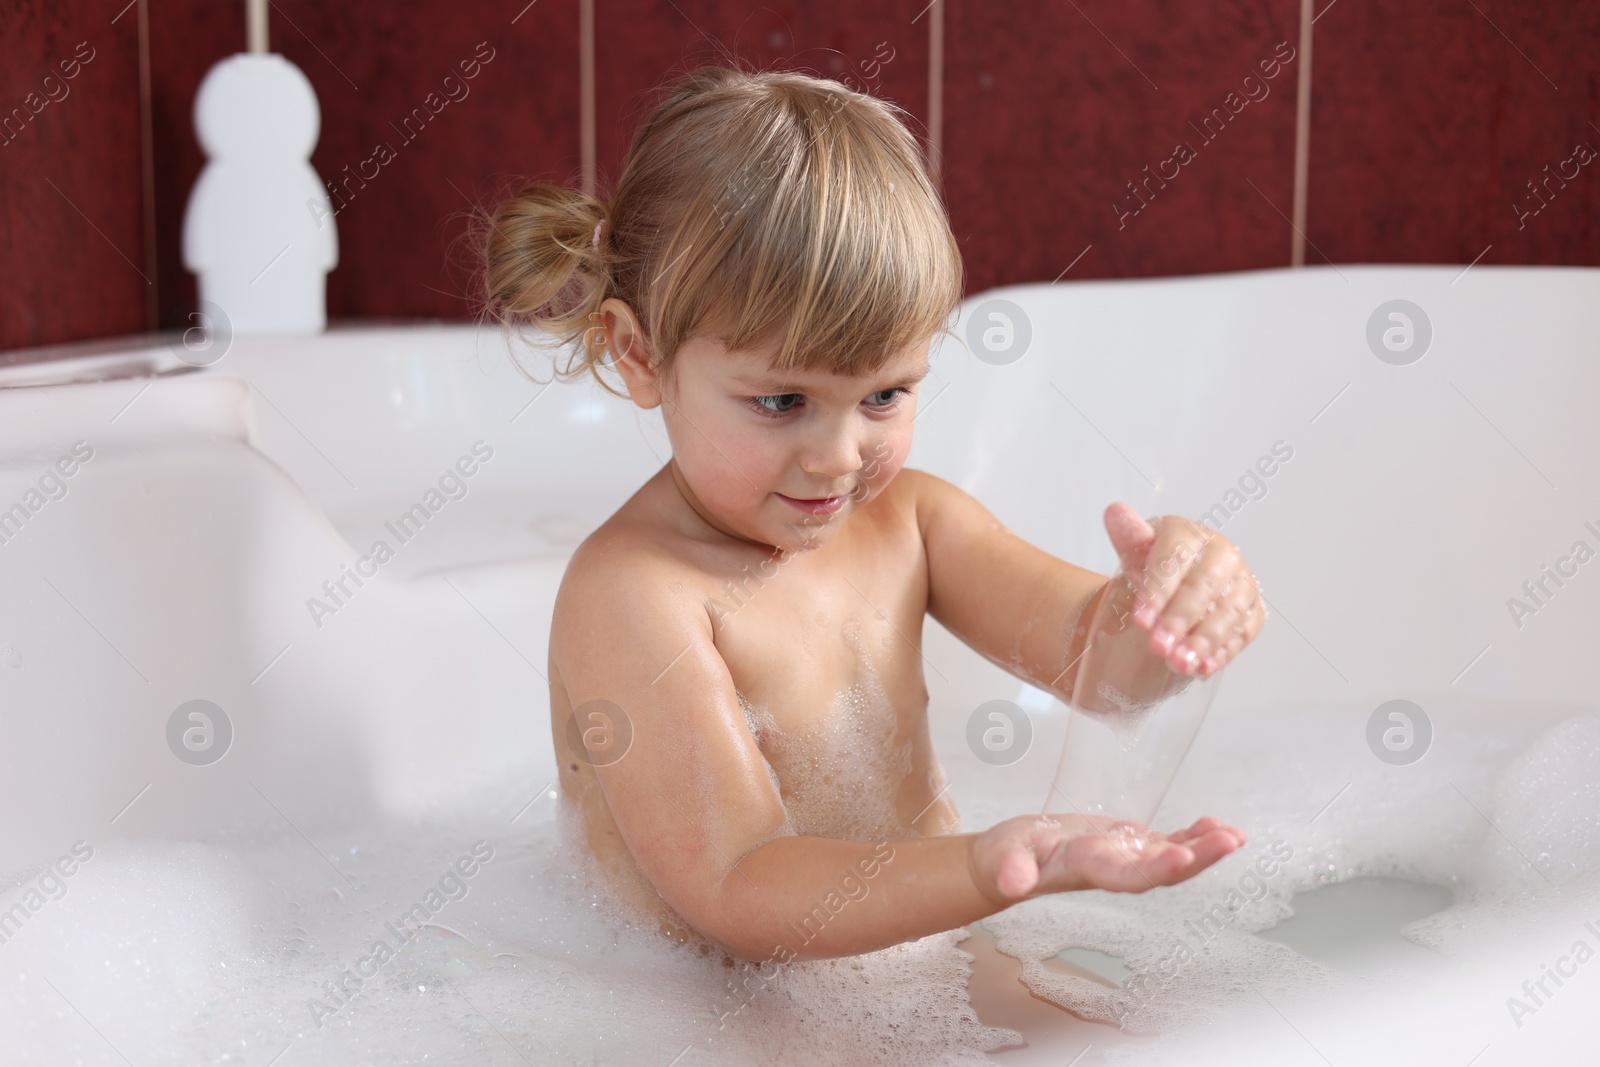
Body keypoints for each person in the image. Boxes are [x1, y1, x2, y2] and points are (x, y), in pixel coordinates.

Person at [481, 65, 1263, 963]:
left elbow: (1101, 660)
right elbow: (738, 882)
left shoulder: (913, 523)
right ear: (639, 353)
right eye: (782, 402)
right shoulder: (635, 593)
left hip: (909, 969)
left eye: (885, 394)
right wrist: (981, 865)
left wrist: (1177, 602)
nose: (840, 456)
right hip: (707, 1015)